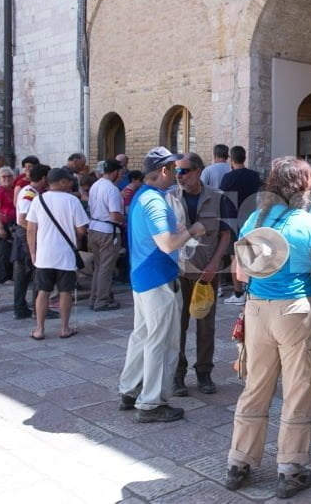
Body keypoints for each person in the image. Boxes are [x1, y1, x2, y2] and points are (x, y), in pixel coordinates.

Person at [225, 156, 311, 499]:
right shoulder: (309, 223)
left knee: (255, 386)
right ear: (303, 188)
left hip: (257, 309)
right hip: (295, 310)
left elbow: (240, 275)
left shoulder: (254, 221)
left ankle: (239, 462)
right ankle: (290, 468)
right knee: (298, 388)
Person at [118, 147, 205, 423]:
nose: (177, 175)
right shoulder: (155, 201)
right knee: (162, 341)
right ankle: (151, 403)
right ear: (164, 170)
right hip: (158, 278)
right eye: (175, 169)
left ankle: (130, 389)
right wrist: (193, 230)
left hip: (143, 276)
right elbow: (167, 244)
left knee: (142, 335)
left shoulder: (142, 196)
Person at [172, 152, 234, 396]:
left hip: (207, 271)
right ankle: (177, 374)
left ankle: (204, 372)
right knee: (178, 326)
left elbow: (225, 235)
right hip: (179, 271)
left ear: (198, 171)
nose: (179, 176)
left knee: (206, 325)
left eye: (184, 171)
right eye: (176, 171)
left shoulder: (218, 198)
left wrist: (215, 263)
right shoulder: (170, 198)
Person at [25, 168, 90, 339]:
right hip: (66, 255)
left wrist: (33, 253)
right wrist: (75, 237)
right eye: (68, 181)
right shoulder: (72, 201)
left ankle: (39, 329)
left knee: (43, 291)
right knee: (65, 292)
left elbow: (30, 230)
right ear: (62, 182)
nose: (70, 184)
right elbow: (82, 229)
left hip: (44, 255)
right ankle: (64, 328)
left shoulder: (38, 200)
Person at [220, 145, 262, 305]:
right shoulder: (254, 176)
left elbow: (221, 197)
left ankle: (238, 294)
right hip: (251, 218)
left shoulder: (228, 178)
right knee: (251, 255)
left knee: (235, 256)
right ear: (244, 158)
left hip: (233, 219)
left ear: (231, 159)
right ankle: (251, 289)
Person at [12, 164, 52, 320]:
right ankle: (36, 309)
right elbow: (23, 219)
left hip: (26, 235)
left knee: (25, 274)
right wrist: (36, 233)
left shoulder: (33, 192)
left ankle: (23, 308)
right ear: (43, 178)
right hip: (27, 236)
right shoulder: (30, 194)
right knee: (33, 273)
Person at [88, 159, 125, 311]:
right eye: (120, 173)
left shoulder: (95, 185)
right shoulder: (112, 189)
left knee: (99, 266)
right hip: (107, 230)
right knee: (106, 267)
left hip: (94, 228)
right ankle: (102, 300)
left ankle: (94, 297)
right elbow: (115, 215)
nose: (121, 176)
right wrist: (126, 218)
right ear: (115, 172)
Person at [0, 166, 17, 283]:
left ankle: (9, 275)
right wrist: (0, 227)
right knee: (4, 250)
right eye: (3, 176)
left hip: (12, 223)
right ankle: (3, 277)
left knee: (10, 250)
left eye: (9, 176)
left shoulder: (11, 190)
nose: (6, 178)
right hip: (3, 224)